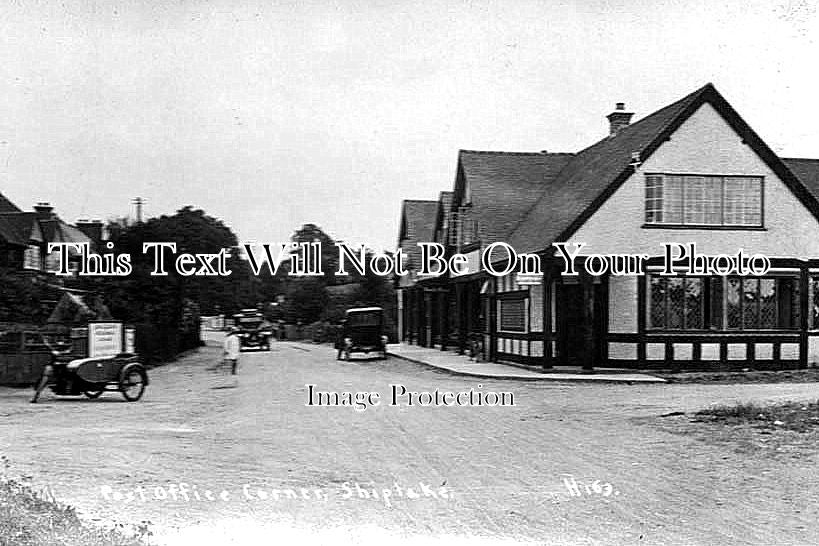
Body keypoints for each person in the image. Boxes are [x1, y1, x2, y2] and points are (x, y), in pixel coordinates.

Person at [31, 337, 74, 404]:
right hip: (54, 365)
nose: (61, 343)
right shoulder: (53, 348)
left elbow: (69, 351)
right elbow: (53, 352)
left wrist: (63, 352)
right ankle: (36, 396)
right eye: (60, 341)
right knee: (45, 377)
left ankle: (68, 388)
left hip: (64, 366)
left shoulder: (68, 347)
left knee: (70, 375)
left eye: (63, 341)